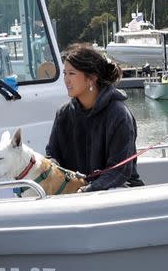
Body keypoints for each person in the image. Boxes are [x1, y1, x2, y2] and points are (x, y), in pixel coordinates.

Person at [46, 43, 144, 192]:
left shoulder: (119, 115)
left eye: (71, 74)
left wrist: (89, 189)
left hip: (121, 193)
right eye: (64, 73)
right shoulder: (63, 114)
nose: (66, 80)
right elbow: (52, 157)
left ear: (91, 78)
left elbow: (120, 171)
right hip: (77, 195)